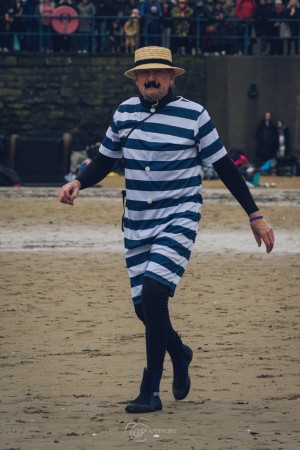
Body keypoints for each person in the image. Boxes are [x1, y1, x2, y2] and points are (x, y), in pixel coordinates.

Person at [59, 46, 275, 414]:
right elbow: (104, 161)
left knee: (155, 293)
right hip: (137, 221)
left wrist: (254, 214)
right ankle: (180, 352)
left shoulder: (195, 115)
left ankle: (149, 389)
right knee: (144, 308)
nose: (151, 78)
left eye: (158, 72)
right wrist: (79, 182)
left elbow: (224, 166)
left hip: (179, 215)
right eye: (144, 74)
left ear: (172, 76)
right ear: (137, 78)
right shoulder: (124, 113)